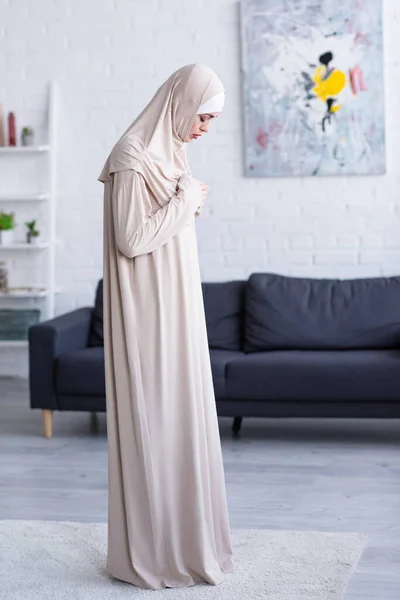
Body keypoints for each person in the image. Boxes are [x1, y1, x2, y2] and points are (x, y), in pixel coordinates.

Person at [98, 63, 235, 590]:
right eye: (202, 117)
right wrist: (188, 199)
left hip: (175, 307)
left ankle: (187, 542)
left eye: (210, 121)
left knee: (182, 419)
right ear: (180, 102)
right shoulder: (132, 157)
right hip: (149, 314)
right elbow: (132, 239)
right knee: (157, 422)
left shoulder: (169, 152)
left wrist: (185, 201)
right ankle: (156, 552)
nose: (203, 130)